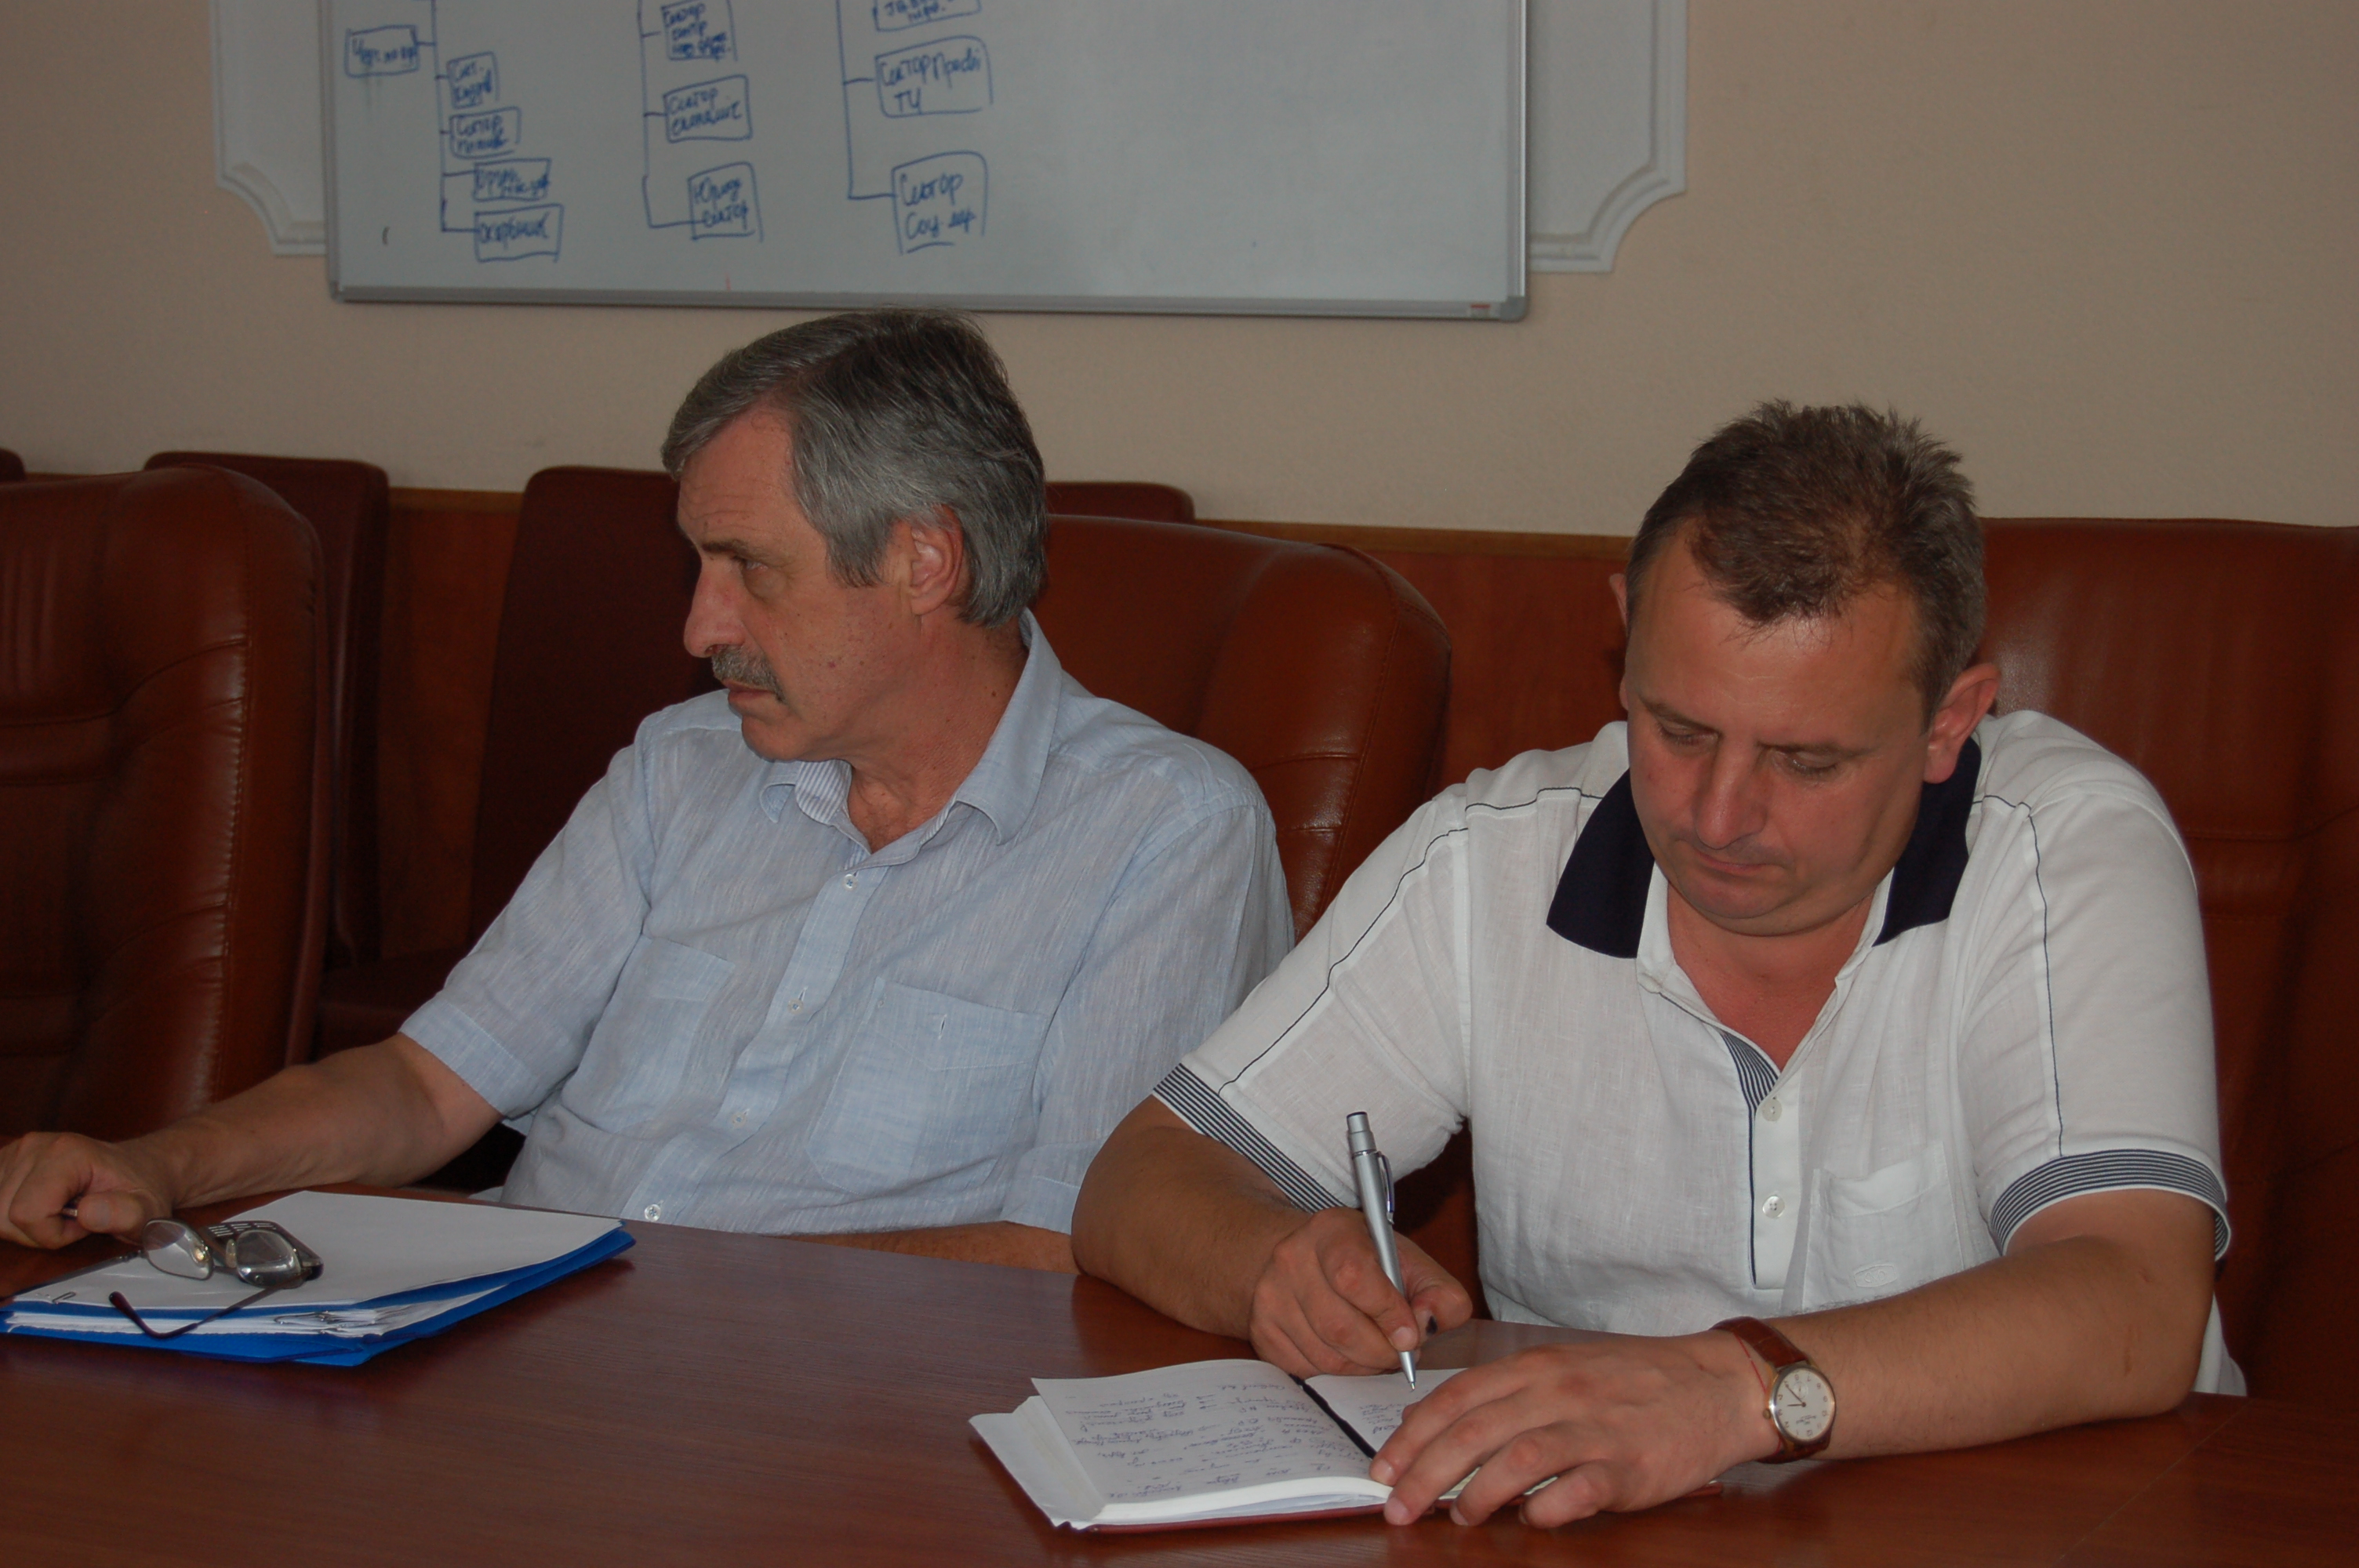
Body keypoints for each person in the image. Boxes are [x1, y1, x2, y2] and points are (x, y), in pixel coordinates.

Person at [1073, 402, 2230, 1526]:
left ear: (1948, 723)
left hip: (2043, 1524)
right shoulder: (1492, 860)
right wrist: (1271, 1259)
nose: (1719, 816)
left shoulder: (2062, 846)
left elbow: (2134, 1299)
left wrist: (1731, 1393)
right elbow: (1140, 1180)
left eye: (1806, 762)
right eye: (1679, 732)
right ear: (1626, 639)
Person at [0, 310, 1290, 1272]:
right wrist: (154, 1162)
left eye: (748, 568)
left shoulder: (1163, 832)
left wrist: (627, 1298)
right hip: (512, 1352)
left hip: (831, 1423)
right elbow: (426, 1086)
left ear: (924, 561)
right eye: (698, 565)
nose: (698, 627)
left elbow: (1063, 1252)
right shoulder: (682, 769)